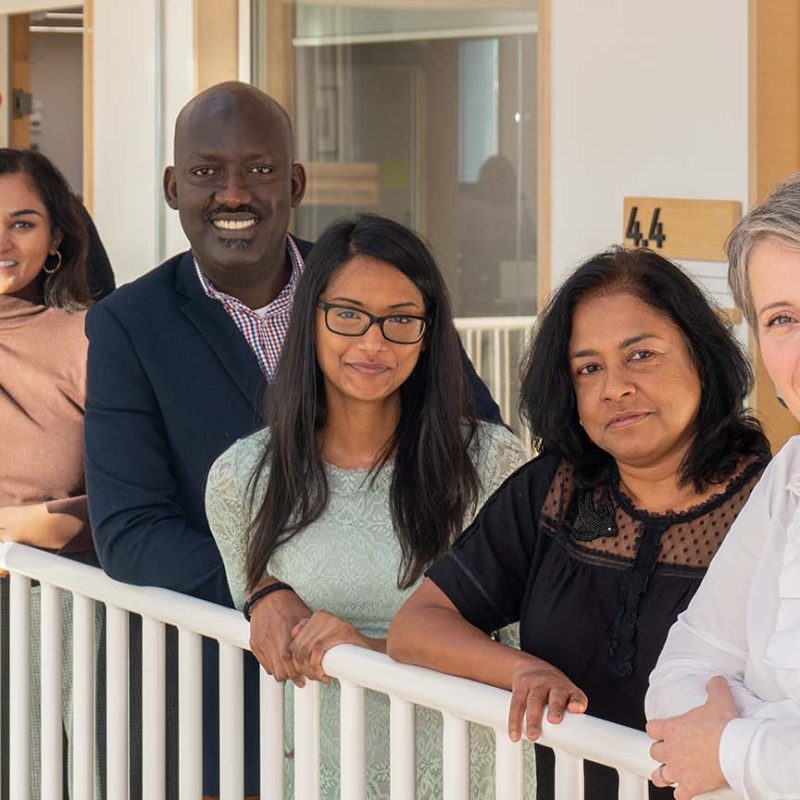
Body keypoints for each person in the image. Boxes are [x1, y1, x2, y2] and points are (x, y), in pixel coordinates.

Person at [84, 81, 500, 796]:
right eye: (206, 171)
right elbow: (131, 532)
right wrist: (263, 589)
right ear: (173, 187)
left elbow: (474, 446)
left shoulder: (371, 289)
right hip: (227, 705)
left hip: (399, 690)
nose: (234, 193)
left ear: (296, 184)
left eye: (260, 169)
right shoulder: (129, 325)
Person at [388, 246, 771, 799]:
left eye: (641, 355)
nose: (615, 387)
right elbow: (416, 627)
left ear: (701, 354)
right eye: (588, 368)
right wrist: (521, 671)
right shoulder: (557, 490)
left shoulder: (774, 505)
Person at [205, 212, 528, 797]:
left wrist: (372, 656)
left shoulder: (491, 464)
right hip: (320, 777)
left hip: (468, 776)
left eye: (401, 319)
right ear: (311, 318)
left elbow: (521, 649)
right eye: (348, 315)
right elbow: (262, 611)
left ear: (429, 332)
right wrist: (263, 592)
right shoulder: (243, 478)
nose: (373, 343)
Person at [646, 174, 800, 800]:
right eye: (782, 319)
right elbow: (680, 670)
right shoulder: (789, 474)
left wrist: (732, 746)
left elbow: (711, 735)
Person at [0, 147, 95, 798]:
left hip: (48, 615)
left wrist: (17, 528)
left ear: (56, 236)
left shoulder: (91, 339)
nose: (1, 242)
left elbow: (129, 504)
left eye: (22, 223)